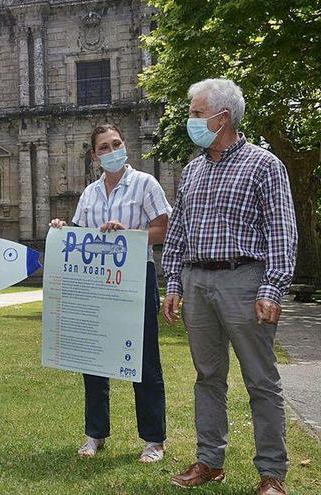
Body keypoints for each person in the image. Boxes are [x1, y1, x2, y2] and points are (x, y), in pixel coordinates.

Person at [163, 79, 297, 495]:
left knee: (261, 379)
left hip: (245, 280)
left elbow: (282, 229)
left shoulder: (264, 165)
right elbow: (179, 231)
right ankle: (209, 462)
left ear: (223, 118)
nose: (190, 120)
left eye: (196, 113)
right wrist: (173, 280)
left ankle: (271, 474)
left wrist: (272, 287)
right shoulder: (192, 169)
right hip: (196, 281)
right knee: (207, 377)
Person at [49, 124, 170, 463]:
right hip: (95, 282)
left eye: (117, 143)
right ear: (95, 155)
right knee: (94, 356)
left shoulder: (146, 183)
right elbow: (80, 233)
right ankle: (95, 434)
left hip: (134, 279)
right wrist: (63, 229)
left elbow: (162, 228)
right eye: (104, 146)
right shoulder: (89, 194)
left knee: (143, 359)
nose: (112, 149)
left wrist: (127, 235)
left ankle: (153, 439)